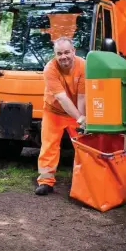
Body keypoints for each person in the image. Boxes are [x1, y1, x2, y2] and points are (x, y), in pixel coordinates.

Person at [35, 36, 86, 196]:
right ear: (55, 55)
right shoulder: (50, 69)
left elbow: (82, 97)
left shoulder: (84, 65)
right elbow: (62, 98)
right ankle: (46, 182)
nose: (63, 56)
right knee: (49, 146)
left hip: (75, 111)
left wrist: (82, 118)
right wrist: (80, 118)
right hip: (54, 111)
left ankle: (86, 179)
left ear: (73, 51)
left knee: (83, 146)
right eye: (59, 53)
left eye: (66, 52)